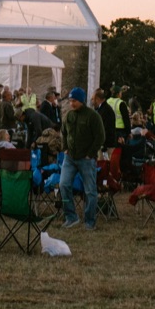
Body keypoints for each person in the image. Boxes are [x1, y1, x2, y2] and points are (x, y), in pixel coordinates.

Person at [57, 87, 103, 232]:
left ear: (82, 100)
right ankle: (71, 216)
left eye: (74, 101)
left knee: (90, 191)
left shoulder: (93, 116)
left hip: (86, 159)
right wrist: (65, 147)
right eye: (70, 101)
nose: (72, 104)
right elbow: (63, 132)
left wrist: (90, 153)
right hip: (70, 158)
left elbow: (100, 137)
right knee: (63, 185)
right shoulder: (68, 116)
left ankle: (90, 221)